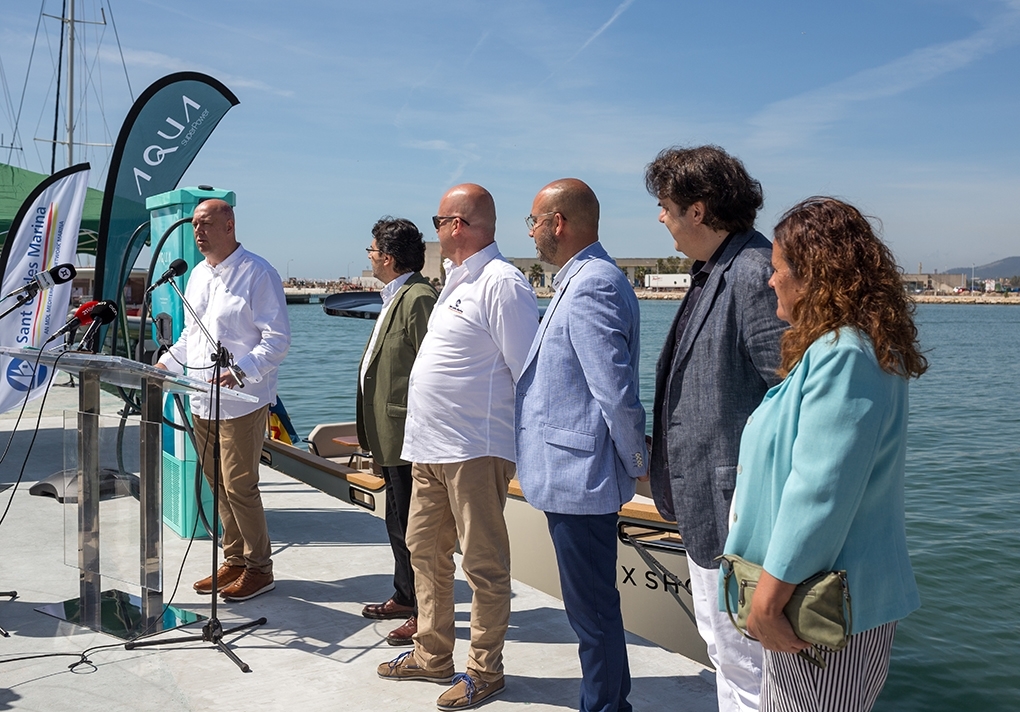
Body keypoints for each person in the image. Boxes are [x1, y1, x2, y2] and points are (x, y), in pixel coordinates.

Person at [722, 197, 925, 711]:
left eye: (778, 270)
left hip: (823, 607)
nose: (771, 281)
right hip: (813, 598)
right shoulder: (848, 349)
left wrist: (767, 599)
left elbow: (821, 489)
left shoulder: (844, 354)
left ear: (814, 276)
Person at [376, 184, 539, 711]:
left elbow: (528, 372)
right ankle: (432, 655)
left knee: (484, 565)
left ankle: (485, 670)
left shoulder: (502, 283)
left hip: (474, 448)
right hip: (429, 448)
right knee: (425, 551)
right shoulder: (454, 281)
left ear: (460, 225)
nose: (435, 231)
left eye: (439, 220)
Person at [645, 145, 787, 711]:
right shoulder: (717, 270)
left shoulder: (753, 272)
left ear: (697, 210)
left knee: (746, 662)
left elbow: (789, 396)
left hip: (740, 514)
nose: (661, 218)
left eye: (666, 205)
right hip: (710, 504)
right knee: (726, 654)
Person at [514, 179, 647, 712]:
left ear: (558, 223)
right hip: (572, 474)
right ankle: (611, 700)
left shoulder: (593, 283)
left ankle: (607, 707)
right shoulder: (582, 279)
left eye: (534, 222)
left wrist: (637, 464)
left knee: (591, 613)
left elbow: (614, 393)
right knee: (591, 609)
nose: (532, 233)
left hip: (581, 478)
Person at [156, 198, 290, 602]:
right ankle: (234, 559)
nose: (197, 232)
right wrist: (164, 365)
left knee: (240, 484)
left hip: (243, 401)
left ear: (229, 224)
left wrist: (241, 370)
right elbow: (190, 337)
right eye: (194, 224)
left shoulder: (258, 273)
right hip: (201, 398)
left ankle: (260, 568)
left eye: (206, 224)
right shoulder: (196, 275)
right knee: (217, 483)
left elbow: (278, 340)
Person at [357, 217, 438, 646]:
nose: (369, 257)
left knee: (413, 527)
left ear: (387, 258)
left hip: (409, 435)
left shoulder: (418, 298)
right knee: (396, 520)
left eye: (371, 251)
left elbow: (433, 369)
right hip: (390, 434)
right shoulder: (396, 296)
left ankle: (423, 610)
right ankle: (405, 595)